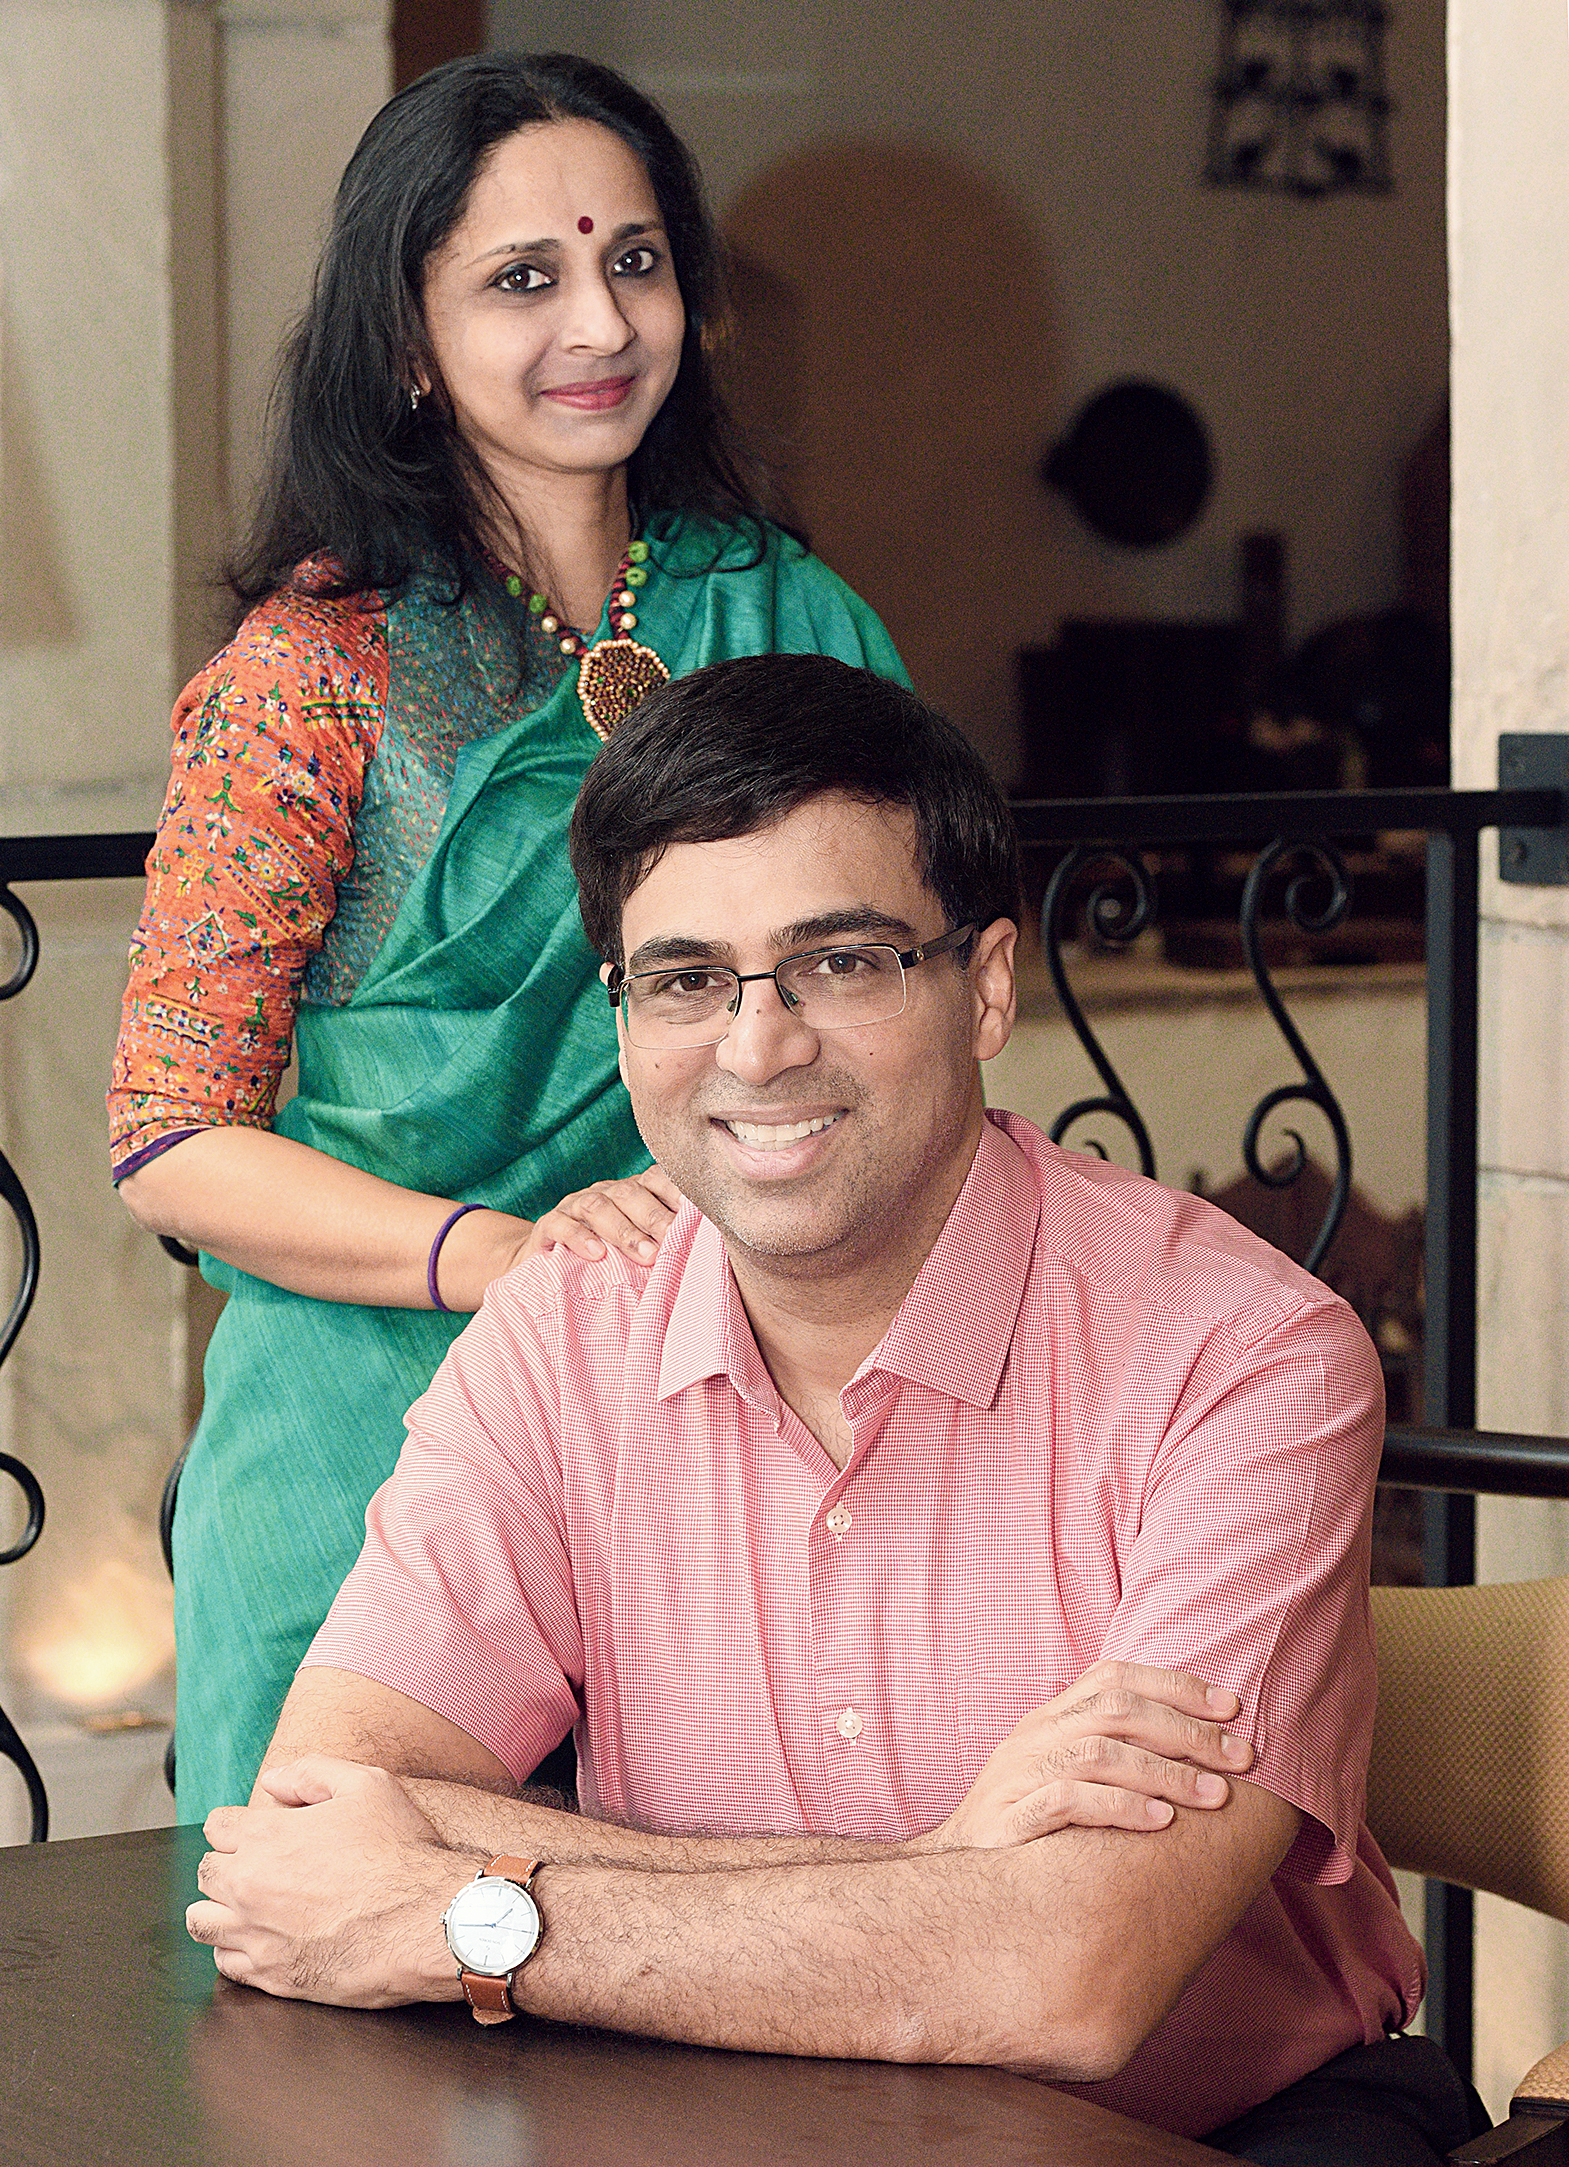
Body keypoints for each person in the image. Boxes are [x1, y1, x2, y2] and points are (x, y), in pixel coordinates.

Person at [186, 657, 1484, 2165]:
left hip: (1212, 2130)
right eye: (684, 979)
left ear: (986, 984)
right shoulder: (563, 1326)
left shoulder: (1245, 1355)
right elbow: (314, 1822)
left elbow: (1065, 1978)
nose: (758, 1046)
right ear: (622, 1014)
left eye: (842, 963)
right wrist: (944, 1870)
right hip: (695, 2098)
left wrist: (479, 1912)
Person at [108, 56, 906, 1821]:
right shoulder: (312, 684)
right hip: (370, 1445)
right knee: (354, 2032)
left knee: (714, 1995)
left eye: (631, 261)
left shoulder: (788, 618)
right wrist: (518, 1259)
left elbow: (907, 991)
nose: (596, 322)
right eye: (520, 280)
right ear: (405, 343)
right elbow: (172, 1145)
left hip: (724, 1422)